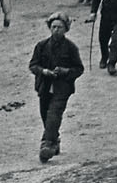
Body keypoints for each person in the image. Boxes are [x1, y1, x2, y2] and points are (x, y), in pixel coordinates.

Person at [28, 13, 83, 162]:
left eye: (60, 27)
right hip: (44, 86)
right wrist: (44, 71)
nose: (56, 30)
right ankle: (54, 140)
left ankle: (46, 145)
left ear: (66, 29)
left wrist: (66, 71)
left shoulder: (71, 48)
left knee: (54, 113)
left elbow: (79, 69)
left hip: (62, 87)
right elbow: (33, 65)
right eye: (53, 27)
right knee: (45, 115)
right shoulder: (41, 46)